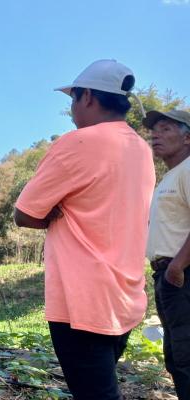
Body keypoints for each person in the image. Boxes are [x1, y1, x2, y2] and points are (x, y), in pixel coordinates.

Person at [14, 59, 155, 400]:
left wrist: (54, 214)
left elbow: (25, 214)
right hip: (125, 297)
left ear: (88, 96)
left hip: (81, 299)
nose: (72, 109)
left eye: (73, 99)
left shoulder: (78, 142)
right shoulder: (142, 149)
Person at [144, 109, 190, 399]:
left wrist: (177, 266)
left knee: (186, 357)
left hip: (181, 276)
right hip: (168, 276)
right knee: (175, 356)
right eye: (154, 130)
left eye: (166, 129)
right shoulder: (170, 177)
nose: (155, 135)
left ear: (187, 137)